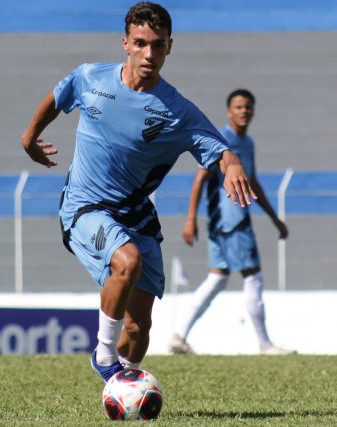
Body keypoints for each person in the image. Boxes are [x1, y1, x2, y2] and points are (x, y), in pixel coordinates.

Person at [20, 2, 256, 383]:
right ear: (126, 43)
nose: (150, 54)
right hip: (84, 206)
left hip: (137, 215)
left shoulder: (178, 112)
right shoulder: (91, 79)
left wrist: (234, 166)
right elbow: (58, 96)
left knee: (138, 328)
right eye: (141, 43)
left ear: (169, 47)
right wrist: (30, 136)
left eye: (158, 45)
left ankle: (124, 387)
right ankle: (103, 354)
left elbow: (221, 152)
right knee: (127, 263)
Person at [167, 89, 293, 356]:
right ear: (229, 111)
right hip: (231, 220)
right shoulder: (221, 139)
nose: (244, 111)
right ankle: (265, 344)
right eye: (238, 107)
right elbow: (200, 178)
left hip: (227, 222)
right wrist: (190, 219)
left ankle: (179, 336)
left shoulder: (247, 143)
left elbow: (253, 182)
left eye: (248, 107)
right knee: (253, 276)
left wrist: (274, 219)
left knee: (218, 279)